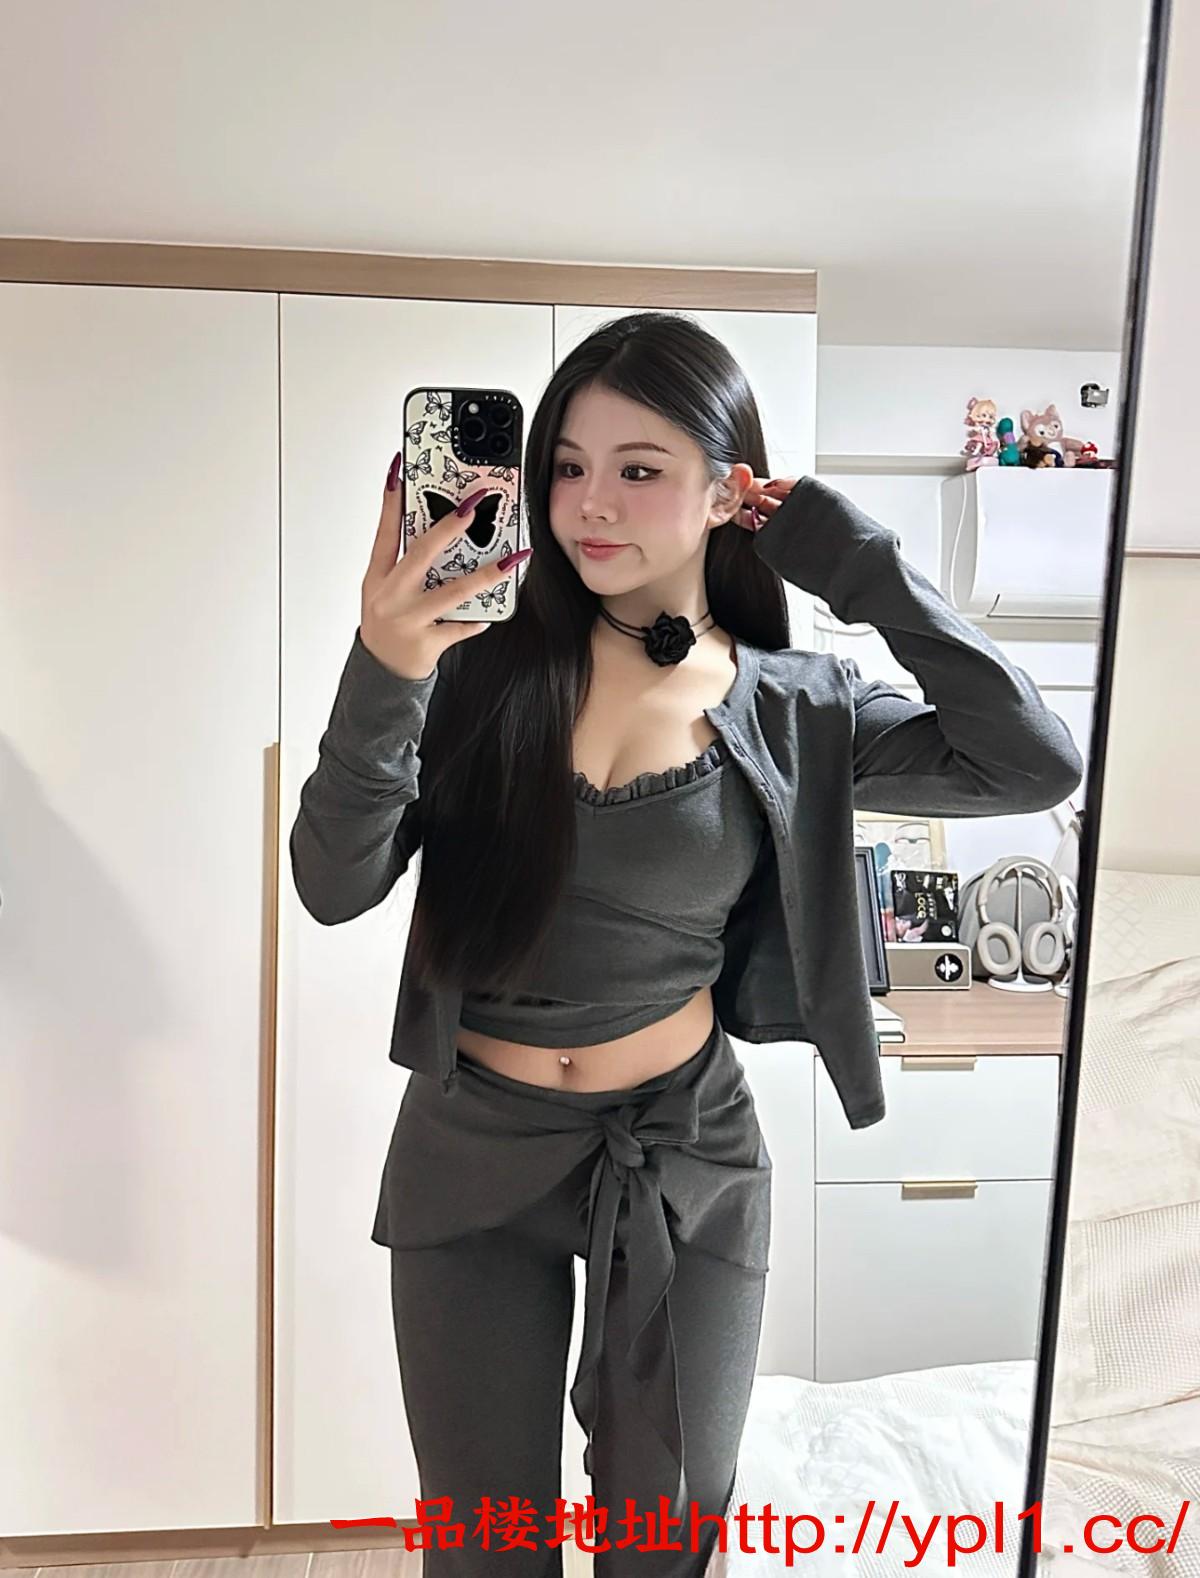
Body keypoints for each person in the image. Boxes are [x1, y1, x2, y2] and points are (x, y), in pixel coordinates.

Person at [290, 312, 1085, 1576]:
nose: (590, 503)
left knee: (662, 1544)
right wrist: (386, 663)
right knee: (485, 1550)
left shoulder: (797, 703)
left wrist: (854, 562)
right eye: (566, 466)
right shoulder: (467, 664)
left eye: (639, 468)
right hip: (470, 1148)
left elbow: (1032, 761)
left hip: (683, 1154)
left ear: (728, 493)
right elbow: (333, 886)